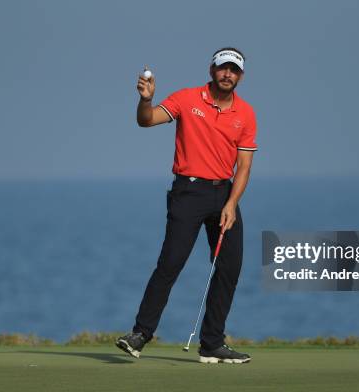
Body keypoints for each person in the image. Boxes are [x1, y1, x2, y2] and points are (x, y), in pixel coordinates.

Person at [116, 47, 258, 364]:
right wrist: (145, 99)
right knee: (171, 263)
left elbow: (244, 167)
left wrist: (232, 204)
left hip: (225, 196)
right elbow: (147, 121)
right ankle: (140, 334)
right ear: (212, 70)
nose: (227, 75)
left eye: (234, 71)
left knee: (229, 268)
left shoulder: (246, 114)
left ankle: (212, 343)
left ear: (241, 77)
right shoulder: (187, 99)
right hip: (188, 193)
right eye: (223, 68)